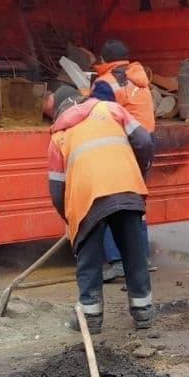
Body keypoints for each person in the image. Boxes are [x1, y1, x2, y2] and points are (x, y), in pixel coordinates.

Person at [45, 85, 155, 334]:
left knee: (89, 258)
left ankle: (91, 317)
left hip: (87, 199)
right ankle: (143, 313)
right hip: (127, 188)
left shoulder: (59, 136)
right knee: (134, 252)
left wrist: (70, 218)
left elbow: (56, 189)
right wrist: (139, 171)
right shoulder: (111, 109)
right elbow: (145, 140)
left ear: (60, 111)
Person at [91, 39, 156, 283]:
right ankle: (142, 258)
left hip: (121, 146)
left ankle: (117, 261)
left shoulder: (106, 83)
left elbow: (95, 114)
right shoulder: (139, 78)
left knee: (108, 202)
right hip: (145, 144)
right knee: (136, 204)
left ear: (104, 60)